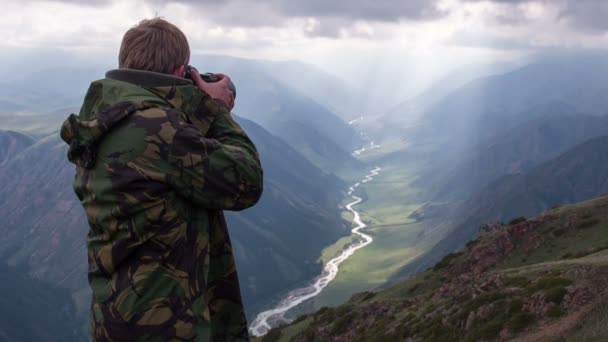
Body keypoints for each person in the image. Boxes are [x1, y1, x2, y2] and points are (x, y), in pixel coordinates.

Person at [60, 17, 263, 341]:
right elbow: (247, 181)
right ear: (180, 71)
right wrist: (213, 109)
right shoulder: (160, 131)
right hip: (168, 326)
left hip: (113, 318)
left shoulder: (104, 119)